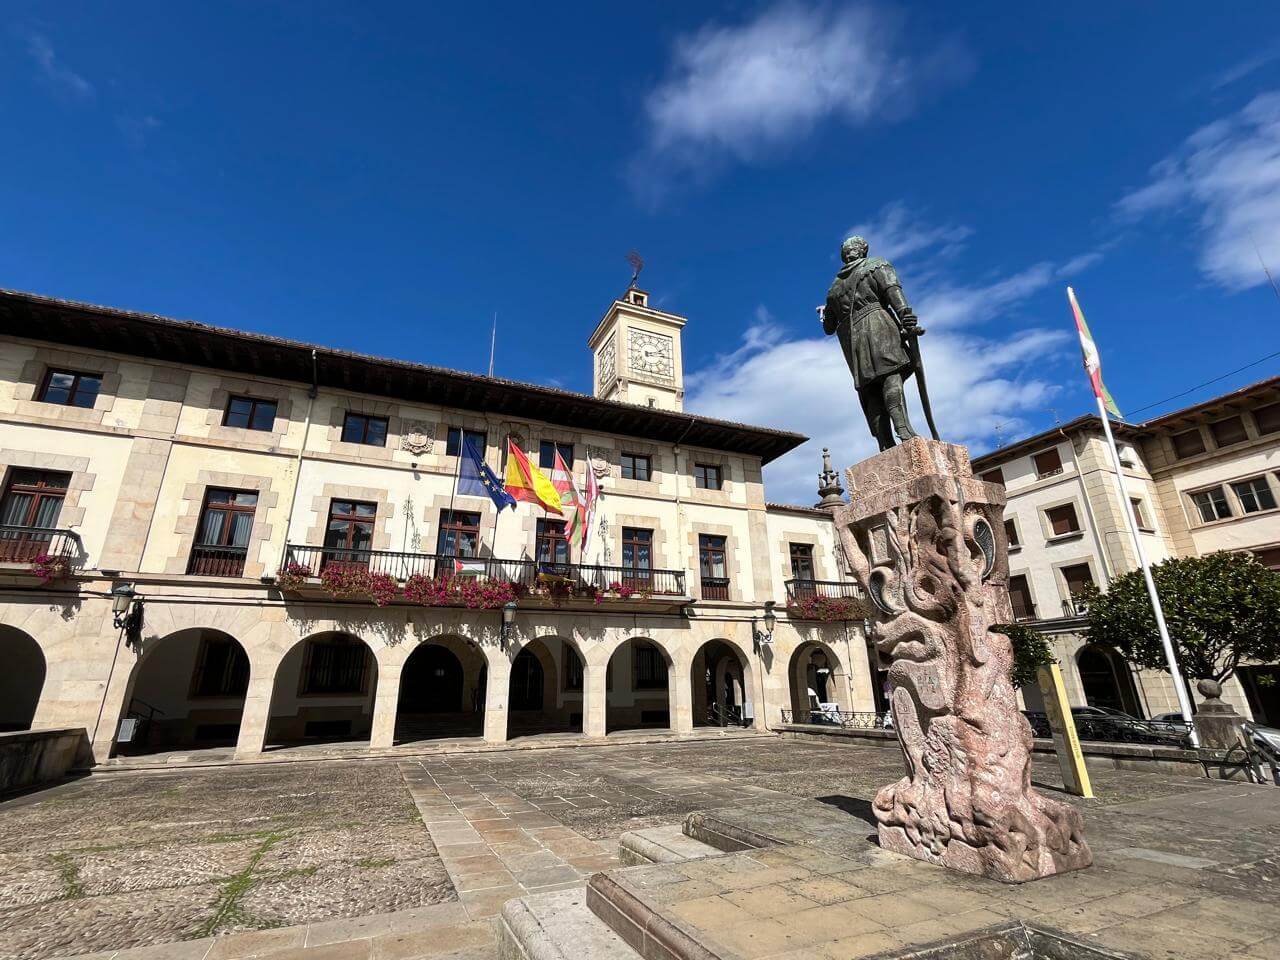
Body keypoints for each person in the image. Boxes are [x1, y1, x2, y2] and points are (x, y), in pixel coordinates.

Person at [823, 235, 921, 450]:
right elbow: (892, 290)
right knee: (890, 376)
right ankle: (904, 431)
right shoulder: (876, 265)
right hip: (878, 323)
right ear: (863, 251)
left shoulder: (834, 288)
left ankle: (885, 443)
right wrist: (905, 315)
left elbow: (828, 327)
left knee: (871, 390)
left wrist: (823, 314)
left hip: (852, 340)